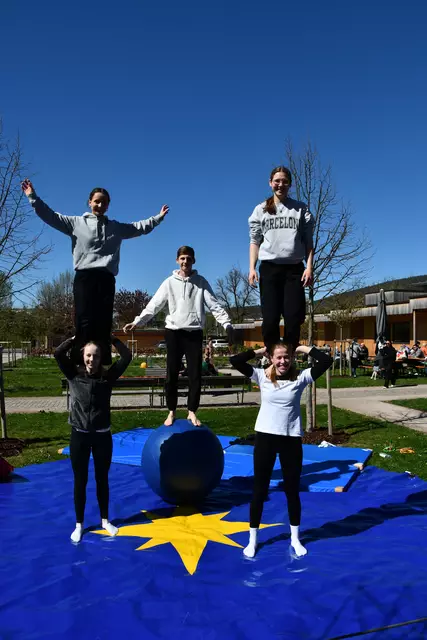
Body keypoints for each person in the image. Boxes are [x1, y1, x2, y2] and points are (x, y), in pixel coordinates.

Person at [21, 179, 169, 364]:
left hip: (106, 279)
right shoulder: (75, 223)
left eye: (104, 202)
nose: (100, 205)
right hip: (85, 277)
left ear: (108, 206)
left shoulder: (115, 228)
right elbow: (50, 216)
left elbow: (138, 227)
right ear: (90, 202)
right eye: (97, 201)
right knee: (84, 320)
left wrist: (158, 218)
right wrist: (33, 197)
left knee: (103, 321)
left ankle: (102, 362)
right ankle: (80, 361)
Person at [229, 342, 332, 558]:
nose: (283, 361)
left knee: (292, 491)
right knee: (259, 490)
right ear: (271, 359)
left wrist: (303, 348)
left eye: (286, 357)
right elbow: (235, 361)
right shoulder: (261, 376)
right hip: (265, 438)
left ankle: (295, 539)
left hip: (290, 440)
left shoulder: (301, 378)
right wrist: (259, 351)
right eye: (278, 357)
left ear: (292, 358)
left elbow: (326, 361)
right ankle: (252, 540)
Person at [123, 246, 233, 426]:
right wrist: (137, 322)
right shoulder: (169, 283)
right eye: (182, 258)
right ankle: (171, 411)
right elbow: (154, 305)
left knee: (195, 375)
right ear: (177, 260)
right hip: (173, 332)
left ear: (193, 261)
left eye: (188, 258)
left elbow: (214, 305)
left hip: (194, 333)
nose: (185, 261)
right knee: (172, 374)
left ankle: (192, 412)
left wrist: (227, 324)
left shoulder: (201, 282)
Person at [54, 335, 132, 543]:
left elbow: (127, 356)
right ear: (83, 356)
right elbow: (58, 354)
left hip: (102, 436)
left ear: (101, 358)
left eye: (96, 356)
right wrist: (74, 338)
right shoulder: (73, 374)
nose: (92, 360)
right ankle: (79, 524)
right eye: (88, 355)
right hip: (79, 435)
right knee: (80, 480)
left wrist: (111, 338)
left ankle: (105, 520)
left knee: (102, 479)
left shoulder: (108, 377)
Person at [248, 166, 314, 351]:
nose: (280, 184)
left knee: (293, 318)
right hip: (269, 269)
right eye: (277, 181)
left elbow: (309, 242)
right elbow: (254, 241)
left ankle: (289, 355)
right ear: (270, 183)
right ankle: (272, 356)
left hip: (294, 269)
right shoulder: (260, 210)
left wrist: (309, 267)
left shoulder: (300, 209)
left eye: (285, 181)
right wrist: (252, 268)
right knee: (270, 319)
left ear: (290, 184)